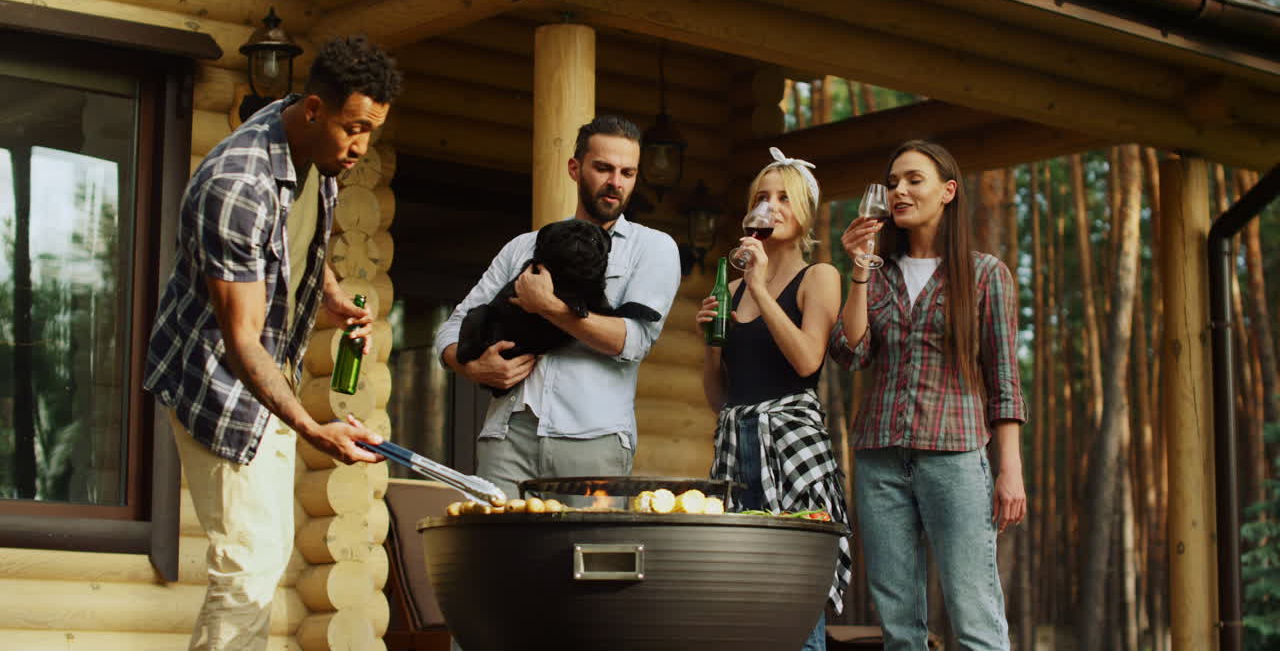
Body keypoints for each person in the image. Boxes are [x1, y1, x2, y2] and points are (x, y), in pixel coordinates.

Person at [144, 36, 402, 651]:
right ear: (314, 108)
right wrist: (315, 431)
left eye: (373, 131)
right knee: (248, 567)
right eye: (354, 128)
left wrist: (329, 293)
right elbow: (238, 341)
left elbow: (287, 243)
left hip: (264, 369)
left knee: (262, 557)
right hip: (220, 380)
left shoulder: (315, 148)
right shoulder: (237, 184)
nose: (362, 147)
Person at [829, 140, 1027, 651]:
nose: (899, 190)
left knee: (975, 614)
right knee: (899, 625)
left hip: (956, 460)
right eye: (893, 182)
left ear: (948, 191)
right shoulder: (878, 274)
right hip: (878, 461)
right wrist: (858, 268)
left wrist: (1010, 470)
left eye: (914, 179)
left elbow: (1005, 380)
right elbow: (850, 353)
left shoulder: (985, 275)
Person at [435, 115, 681, 502]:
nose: (615, 182)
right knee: (495, 561)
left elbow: (633, 341)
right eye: (603, 168)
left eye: (627, 172)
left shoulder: (653, 248)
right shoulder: (523, 246)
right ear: (575, 168)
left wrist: (548, 306)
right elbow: (452, 327)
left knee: (590, 561)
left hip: (593, 441)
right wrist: (470, 366)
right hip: (507, 437)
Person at [697, 147, 851, 651]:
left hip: (791, 449)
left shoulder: (819, 276)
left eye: (785, 197)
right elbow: (719, 398)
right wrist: (711, 342)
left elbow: (808, 360)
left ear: (805, 211)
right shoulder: (733, 286)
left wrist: (760, 290)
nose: (771, 206)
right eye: (762, 197)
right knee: (738, 598)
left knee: (794, 598)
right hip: (735, 450)